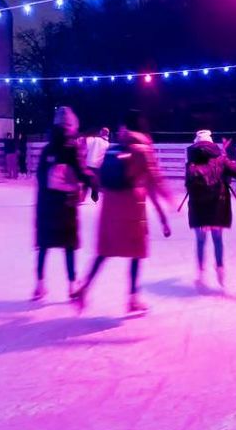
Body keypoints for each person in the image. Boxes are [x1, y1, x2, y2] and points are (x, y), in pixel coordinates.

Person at [72, 111, 171, 314]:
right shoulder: (143, 149)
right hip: (132, 208)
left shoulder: (114, 148)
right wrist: (168, 199)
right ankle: (133, 298)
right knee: (136, 252)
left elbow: (99, 179)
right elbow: (155, 179)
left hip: (109, 207)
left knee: (104, 252)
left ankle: (85, 288)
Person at [185, 130, 236, 289]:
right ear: (211, 142)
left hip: (199, 207)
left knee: (200, 241)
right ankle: (220, 269)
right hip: (217, 206)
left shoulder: (191, 161)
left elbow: (188, 184)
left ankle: (200, 272)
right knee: (217, 239)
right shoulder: (220, 159)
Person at [33, 107, 94, 301]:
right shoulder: (71, 148)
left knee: (44, 246)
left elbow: (40, 177)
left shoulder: (48, 149)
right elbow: (82, 171)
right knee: (68, 246)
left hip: (47, 204)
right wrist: (93, 183)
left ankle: (40, 285)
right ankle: (71, 285)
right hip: (66, 203)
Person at [81, 126, 111, 202]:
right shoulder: (107, 144)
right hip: (98, 165)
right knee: (95, 182)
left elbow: (84, 142)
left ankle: (82, 197)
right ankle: (95, 198)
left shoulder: (94, 139)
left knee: (85, 181)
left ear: (101, 132)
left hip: (88, 163)